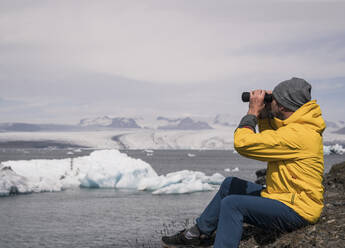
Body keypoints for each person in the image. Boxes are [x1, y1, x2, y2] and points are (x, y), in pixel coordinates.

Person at [161, 77, 326, 248]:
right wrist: (265, 115)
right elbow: (269, 148)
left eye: (275, 100)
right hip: (283, 197)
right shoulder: (298, 129)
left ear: (283, 106)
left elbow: (243, 144)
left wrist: (253, 112)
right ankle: (196, 234)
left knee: (232, 205)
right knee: (229, 184)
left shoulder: (299, 134)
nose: (271, 102)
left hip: (298, 210)